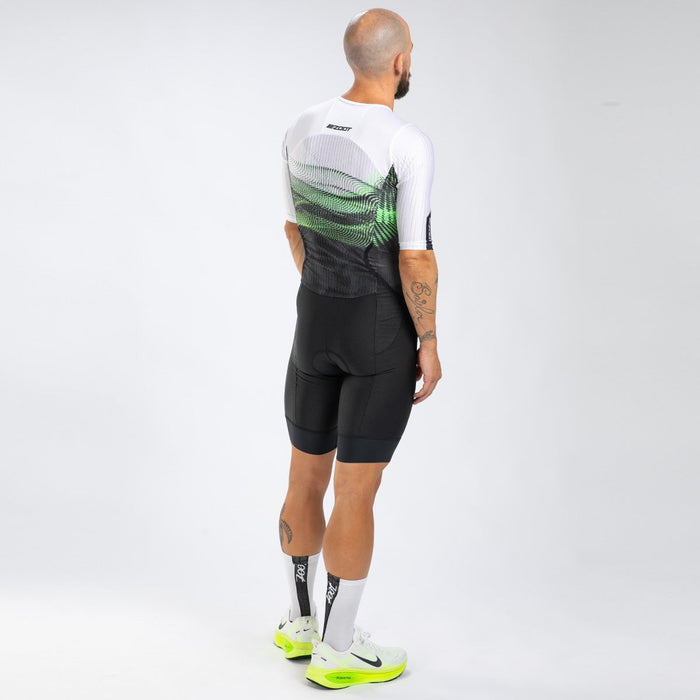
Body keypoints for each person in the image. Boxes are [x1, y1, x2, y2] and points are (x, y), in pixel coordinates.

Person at [274, 8, 442, 689]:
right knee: (355, 491)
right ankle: (337, 650)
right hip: (378, 333)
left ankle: (298, 624)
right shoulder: (406, 141)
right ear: (399, 62)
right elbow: (415, 258)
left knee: (303, 477)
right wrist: (427, 340)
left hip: (313, 321)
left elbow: (295, 231)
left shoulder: (301, 126)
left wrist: (328, 297)